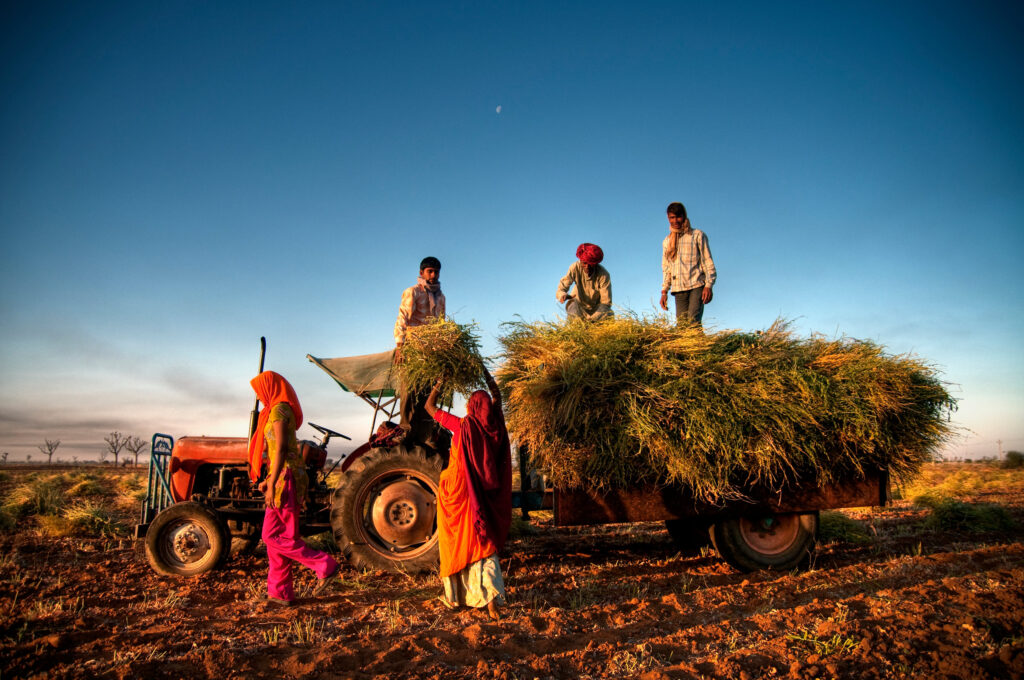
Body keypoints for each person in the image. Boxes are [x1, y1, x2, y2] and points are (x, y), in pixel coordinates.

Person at [425, 368, 512, 621]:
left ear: (473, 406)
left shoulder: (462, 425)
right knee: (483, 541)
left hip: (458, 492)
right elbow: (497, 395)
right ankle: (491, 599)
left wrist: (441, 380)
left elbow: (429, 407)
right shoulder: (495, 424)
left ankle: (457, 596)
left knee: (456, 540)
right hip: (482, 494)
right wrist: (484, 372)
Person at [248, 371, 339, 606]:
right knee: (280, 538)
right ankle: (280, 593)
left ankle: (323, 564)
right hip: (283, 476)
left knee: (270, 536)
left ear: (270, 387)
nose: (258, 396)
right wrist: (269, 478)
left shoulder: (279, 410)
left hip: (286, 479)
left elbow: (280, 449)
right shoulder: (277, 409)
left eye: (259, 390)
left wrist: (272, 483)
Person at [394, 256, 447, 443]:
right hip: (412, 348)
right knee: (409, 388)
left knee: (428, 392)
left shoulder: (441, 297)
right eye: (429, 271)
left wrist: (442, 349)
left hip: (430, 352)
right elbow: (402, 318)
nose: (433, 275)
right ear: (421, 273)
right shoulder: (413, 292)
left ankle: (423, 433)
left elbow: (441, 325)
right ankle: (405, 429)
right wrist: (400, 346)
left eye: (436, 272)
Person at [659, 202, 716, 325]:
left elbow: (707, 261)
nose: (675, 221)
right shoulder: (667, 241)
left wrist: (708, 285)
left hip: (697, 285)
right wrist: (664, 292)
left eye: (678, 217)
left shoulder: (697, 235)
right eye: (672, 218)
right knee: (682, 326)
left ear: (684, 216)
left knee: (693, 322)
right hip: (678, 288)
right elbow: (667, 268)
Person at [556, 243, 613, 321]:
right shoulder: (575, 267)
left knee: (608, 313)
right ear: (580, 261)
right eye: (584, 263)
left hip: (597, 310)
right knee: (573, 307)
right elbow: (562, 287)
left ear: (595, 263)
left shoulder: (603, 274)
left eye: (590, 264)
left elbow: (606, 302)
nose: (587, 267)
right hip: (578, 306)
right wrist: (562, 295)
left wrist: (592, 320)